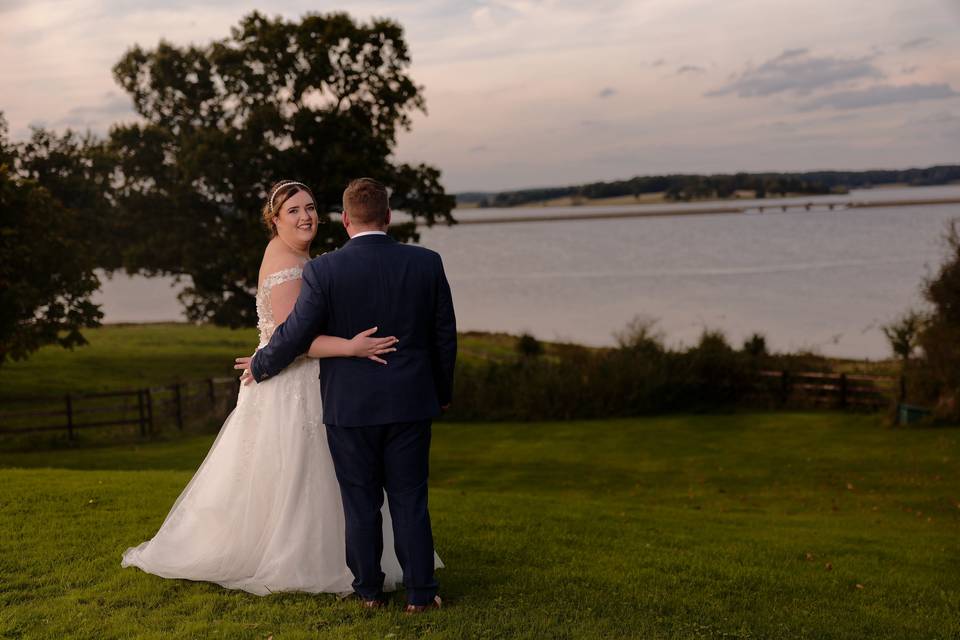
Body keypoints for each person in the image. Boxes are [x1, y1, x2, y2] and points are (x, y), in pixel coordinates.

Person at [121, 180, 443, 597]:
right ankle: (304, 559)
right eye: (293, 211)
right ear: (274, 219)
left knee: (332, 478)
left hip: (311, 379)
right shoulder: (286, 263)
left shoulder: (312, 261)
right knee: (300, 473)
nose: (306, 216)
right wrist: (349, 346)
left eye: (310, 207)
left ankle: (356, 569)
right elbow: (292, 339)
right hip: (290, 381)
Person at [240, 177, 457, 612]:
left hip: (349, 405)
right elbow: (444, 336)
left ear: (344, 220)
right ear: (389, 217)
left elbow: (295, 333)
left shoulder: (324, 269)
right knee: (410, 498)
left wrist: (262, 364)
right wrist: (441, 392)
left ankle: (369, 592)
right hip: (411, 401)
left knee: (360, 503)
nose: (306, 217)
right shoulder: (427, 262)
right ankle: (420, 593)